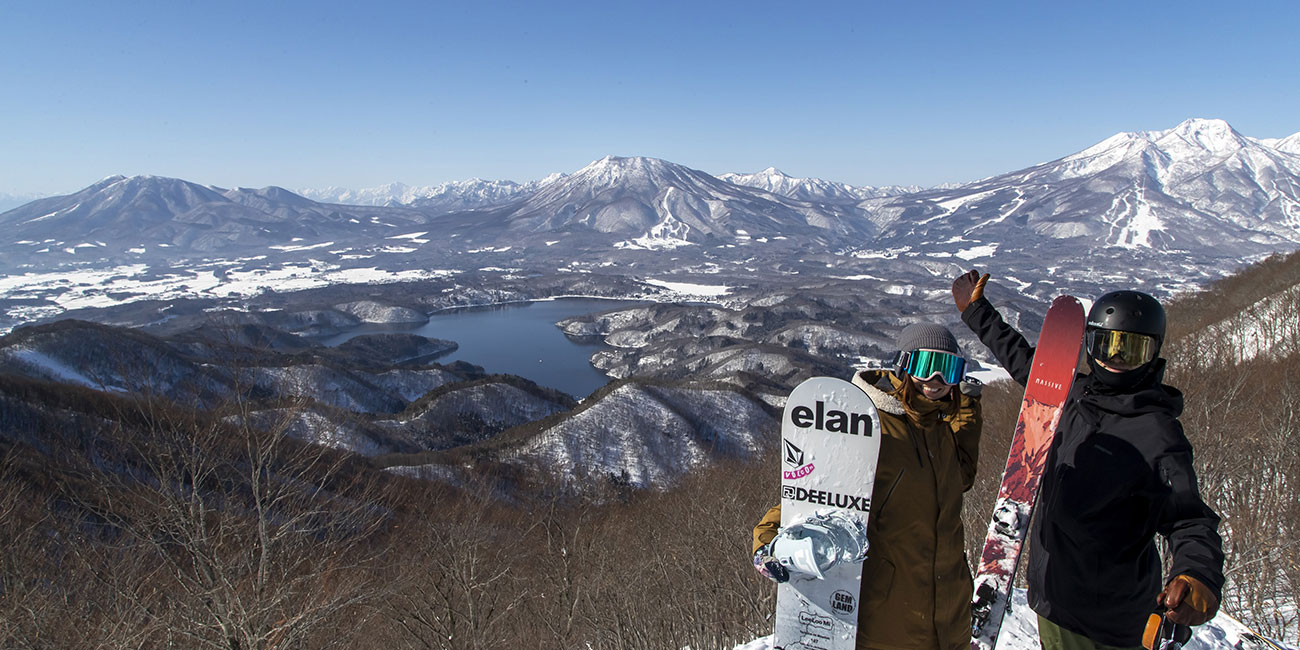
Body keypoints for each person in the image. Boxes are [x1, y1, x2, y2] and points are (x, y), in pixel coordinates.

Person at [951, 269, 1225, 650]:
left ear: (1152, 354)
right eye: (1105, 344)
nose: (1114, 359)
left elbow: (1191, 520)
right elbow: (1026, 363)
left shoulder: (1158, 435)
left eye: (1129, 350)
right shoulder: (1072, 394)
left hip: (1105, 620)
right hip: (1052, 598)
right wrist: (977, 312)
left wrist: (1198, 575)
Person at [752, 323, 983, 650]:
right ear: (903, 365)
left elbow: (959, 478)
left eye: (948, 369)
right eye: (926, 366)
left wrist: (969, 409)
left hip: (950, 622)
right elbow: (817, 493)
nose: (937, 380)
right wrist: (769, 543)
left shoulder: (940, 428)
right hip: (891, 628)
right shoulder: (876, 433)